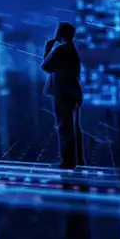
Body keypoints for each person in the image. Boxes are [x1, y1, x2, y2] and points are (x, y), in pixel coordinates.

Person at [42, 21, 84, 169]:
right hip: (73, 91)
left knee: (64, 127)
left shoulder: (60, 50)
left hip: (62, 92)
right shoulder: (72, 49)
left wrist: (48, 47)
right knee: (74, 128)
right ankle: (78, 159)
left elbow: (45, 65)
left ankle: (67, 161)